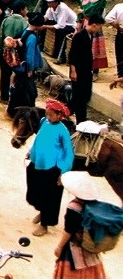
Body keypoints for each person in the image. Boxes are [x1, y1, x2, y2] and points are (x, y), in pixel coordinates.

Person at [26, 98, 75, 237]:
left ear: (60, 116)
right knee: (34, 192)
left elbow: (69, 152)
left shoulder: (63, 131)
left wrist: (63, 172)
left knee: (49, 197)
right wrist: (31, 151)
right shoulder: (43, 122)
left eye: (51, 115)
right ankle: (41, 211)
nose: (48, 117)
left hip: (53, 168)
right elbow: (38, 139)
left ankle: (45, 225)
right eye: (47, 114)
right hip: (37, 163)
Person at [54, 172, 112, 279]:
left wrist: (59, 247)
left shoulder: (74, 207)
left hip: (74, 250)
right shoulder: (93, 204)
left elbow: (69, 230)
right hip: (89, 248)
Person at [68, 14, 103, 124]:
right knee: (80, 98)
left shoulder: (90, 35)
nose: (99, 30)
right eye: (99, 27)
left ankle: (66, 112)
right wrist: (73, 71)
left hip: (86, 70)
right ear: (94, 25)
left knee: (85, 95)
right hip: (78, 71)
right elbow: (72, 54)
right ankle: (81, 121)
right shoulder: (79, 35)